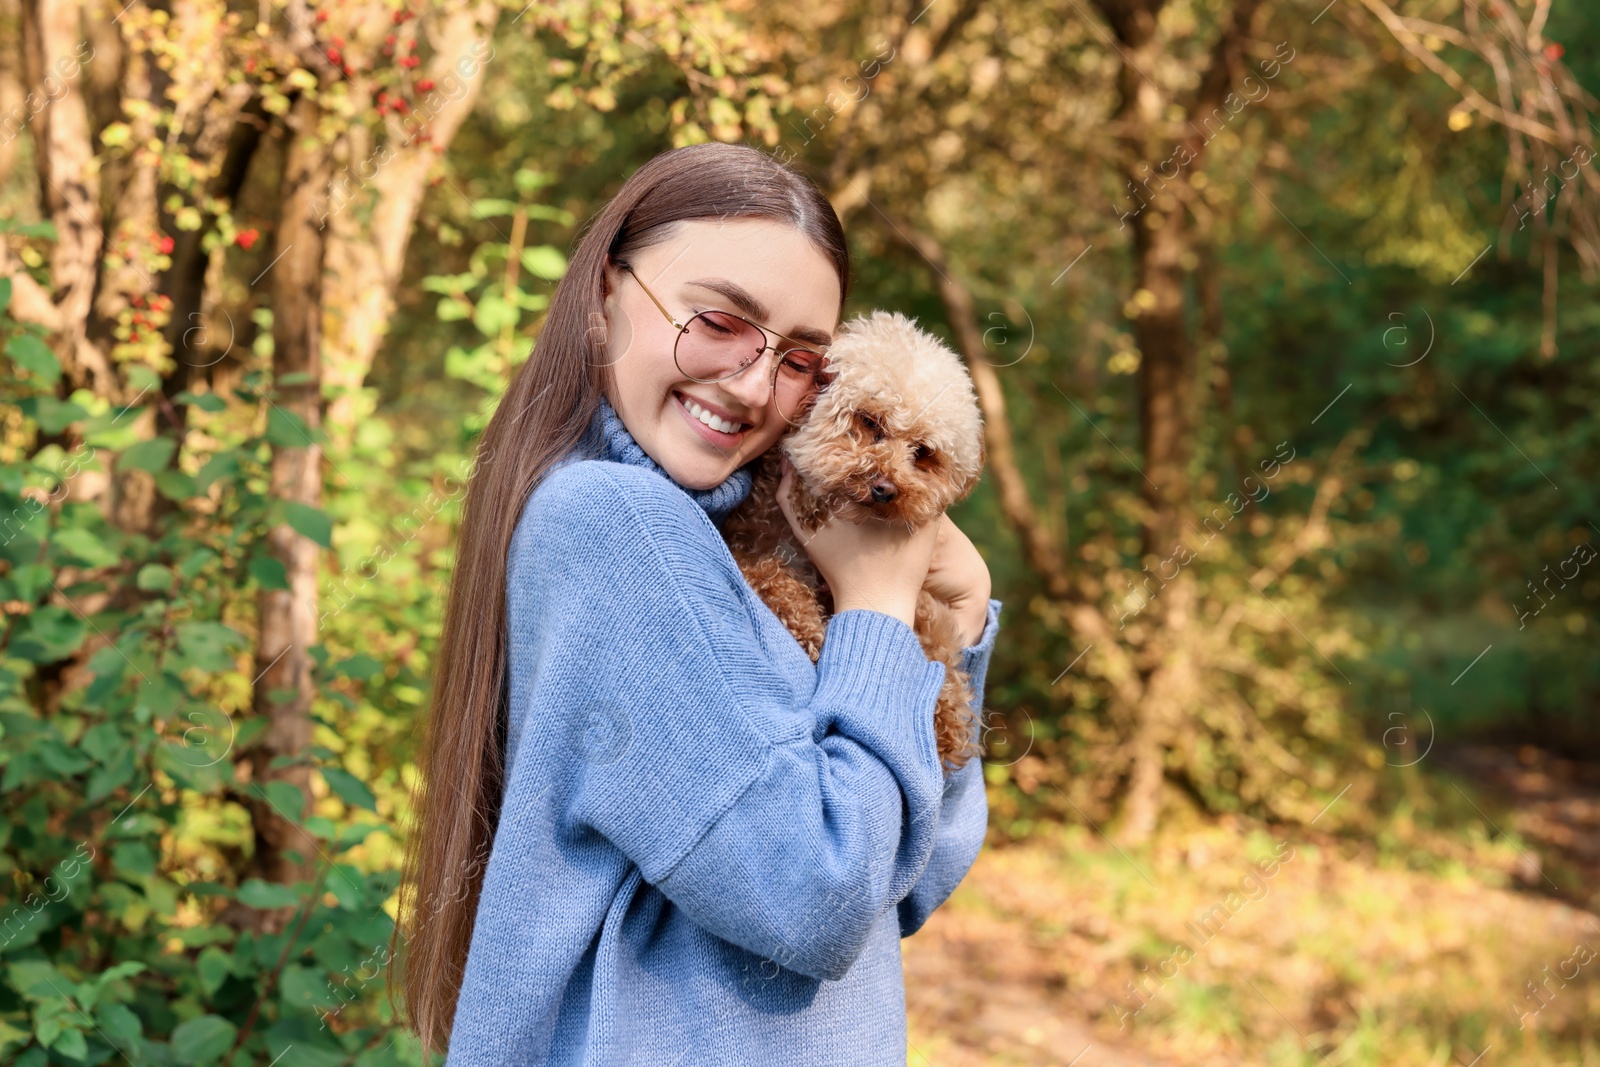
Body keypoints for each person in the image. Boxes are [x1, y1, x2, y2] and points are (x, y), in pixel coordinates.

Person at [393, 141, 1003, 1065]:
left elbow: (915, 875)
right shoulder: (613, 523)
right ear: (606, 292)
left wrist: (951, 626)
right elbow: (817, 897)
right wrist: (878, 604)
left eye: (800, 360)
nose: (753, 384)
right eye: (719, 319)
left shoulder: (731, 549)